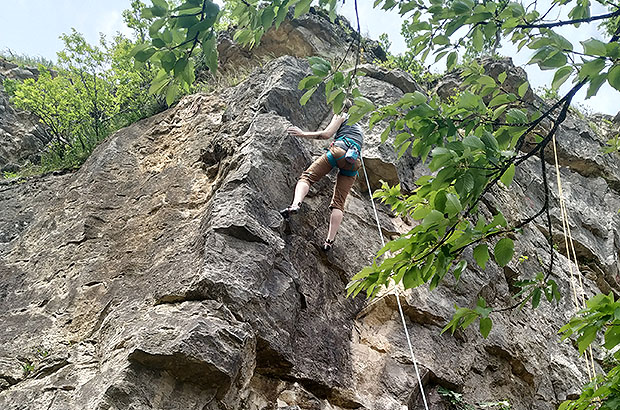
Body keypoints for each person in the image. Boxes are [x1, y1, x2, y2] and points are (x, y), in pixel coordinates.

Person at [281, 105, 364, 251]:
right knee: (339, 203)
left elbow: (326, 134)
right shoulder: (359, 128)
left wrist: (302, 134)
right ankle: (329, 242)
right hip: (353, 163)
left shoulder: (342, 114)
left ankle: (295, 205)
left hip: (338, 151)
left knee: (306, 177)